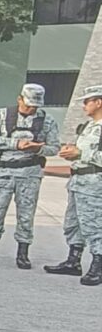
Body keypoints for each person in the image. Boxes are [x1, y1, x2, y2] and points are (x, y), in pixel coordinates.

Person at [0, 83, 60, 268]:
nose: (31, 110)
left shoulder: (47, 120)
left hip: (30, 172)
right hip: (4, 170)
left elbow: (54, 148)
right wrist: (15, 144)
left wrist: (38, 148)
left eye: (35, 107)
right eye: (28, 105)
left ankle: (23, 253)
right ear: (19, 99)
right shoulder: (3, 115)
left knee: (26, 214)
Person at [44, 84, 102, 285]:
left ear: (98, 102)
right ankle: (73, 261)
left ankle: (98, 267)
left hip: (95, 185)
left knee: (94, 227)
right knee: (73, 224)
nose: (84, 106)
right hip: (78, 182)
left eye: (87, 101)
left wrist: (82, 154)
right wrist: (72, 154)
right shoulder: (88, 127)